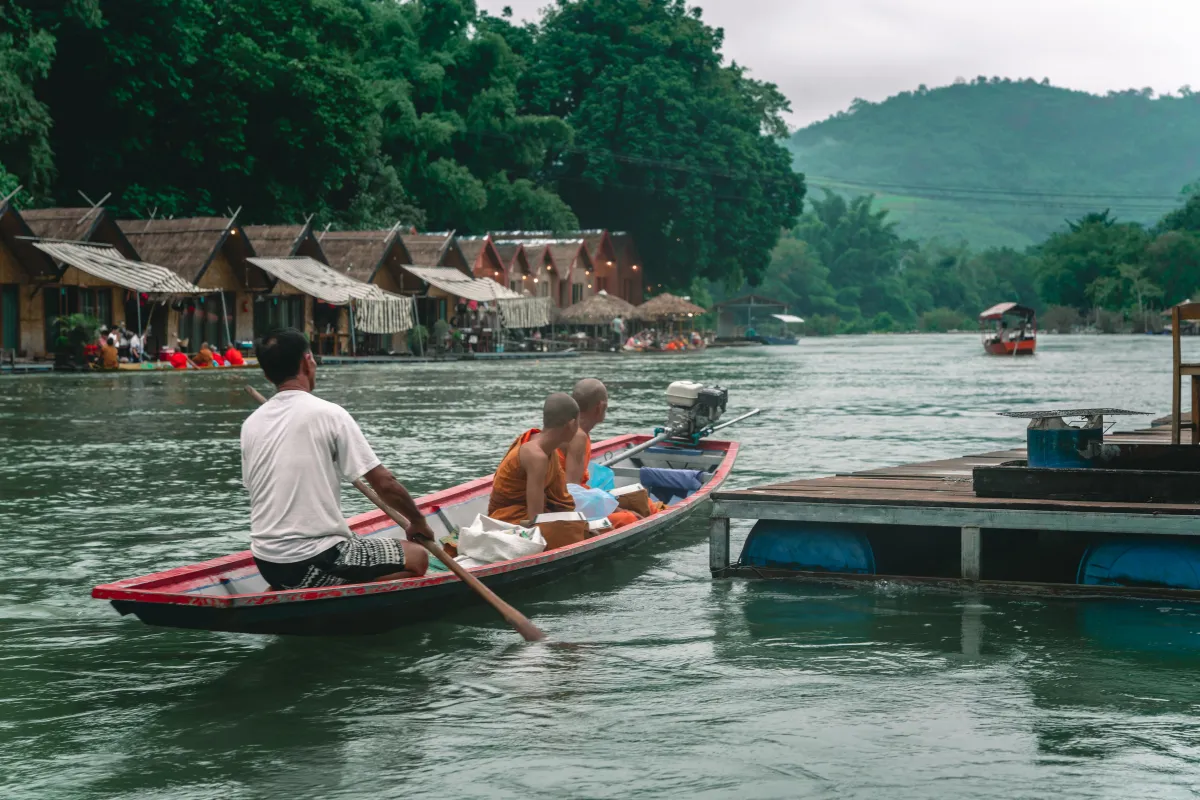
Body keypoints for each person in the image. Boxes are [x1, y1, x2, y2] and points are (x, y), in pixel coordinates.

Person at [242, 328, 432, 591]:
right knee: (418, 558)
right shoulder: (329, 414)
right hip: (316, 556)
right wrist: (418, 521)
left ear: (266, 374)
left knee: (347, 544)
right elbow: (385, 484)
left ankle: (293, 589)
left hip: (267, 562)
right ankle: (340, 592)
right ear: (307, 362)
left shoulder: (251, 424)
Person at [560, 378, 642, 529]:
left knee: (631, 504)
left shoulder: (571, 429)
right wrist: (616, 509)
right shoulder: (578, 436)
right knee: (629, 519)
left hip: (563, 500)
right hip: (560, 507)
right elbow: (570, 491)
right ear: (600, 407)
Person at [487, 393, 579, 526]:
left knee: (579, 527)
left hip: (528, 516)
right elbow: (535, 520)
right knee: (574, 530)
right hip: (507, 520)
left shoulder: (550, 451)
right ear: (571, 424)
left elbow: (562, 502)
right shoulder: (536, 457)